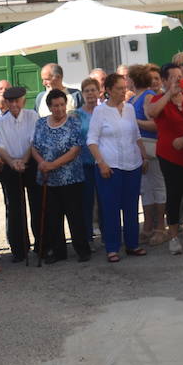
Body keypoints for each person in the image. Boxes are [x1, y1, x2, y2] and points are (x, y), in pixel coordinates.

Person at [145, 64, 183, 254]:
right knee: (173, 194)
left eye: (179, 77)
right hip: (169, 154)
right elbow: (153, 113)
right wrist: (168, 94)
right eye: (173, 77)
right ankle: (172, 235)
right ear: (164, 81)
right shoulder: (158, 99)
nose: (177, 81)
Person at [87, 75, 145, 262]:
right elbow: (92, 141)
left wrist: (143, 156)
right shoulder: (100, 111)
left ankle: (132, 244)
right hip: (109, 166)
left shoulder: (129, 108)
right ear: (109, 90)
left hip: (132, 163)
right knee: (110, 208)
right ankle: (112, 247)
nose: (123, 91)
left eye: (125, 87)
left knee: (131, 207)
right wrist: (101, 163)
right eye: (119, 88)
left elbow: (136, 134)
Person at [32, 89, 91, 263]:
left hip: (71, 178)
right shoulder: (41, 123)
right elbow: (34, 146)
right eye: (55, 105)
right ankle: (58, 252)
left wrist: (52, 164)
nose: (59, 109)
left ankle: (82, 249)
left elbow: (75, 150)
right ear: (49, 107)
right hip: (48, 179)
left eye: (62, 105)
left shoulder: (73, 123)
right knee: (53, 217)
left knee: (75, 215)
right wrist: (41, 162)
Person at [0, 86, 40, 263]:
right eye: (10, 101)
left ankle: (42, 245)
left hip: (31, 163)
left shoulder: (32, 116)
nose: (14, 104)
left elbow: (35, 141)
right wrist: (12, 162)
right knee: (14, 208)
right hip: (10, 167)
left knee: (37, 203)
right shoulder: (0, 122)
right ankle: (19, 249)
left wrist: (24, 161)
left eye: (17, 100)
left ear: (23, 100)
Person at [125, 66, 166, 245]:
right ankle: (148, 225)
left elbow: (155, 124)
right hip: (140, 150)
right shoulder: (133, 99)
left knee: (157, 187)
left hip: (151, 148)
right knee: (146, 189)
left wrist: (134, 122)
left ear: (133, 80)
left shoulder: (148, 97)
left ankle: (160, 227)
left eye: (127, 78)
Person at [75, 77, 103, 243]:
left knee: (105, 201)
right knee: (86, 203)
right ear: (82, 94)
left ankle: (108, 235)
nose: (90, 93)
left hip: (103, 162)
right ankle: (87, 239)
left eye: (93, 90)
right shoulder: (76, 115)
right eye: (87, 91)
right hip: (84, 163)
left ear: (99, 92)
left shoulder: (105, 110)